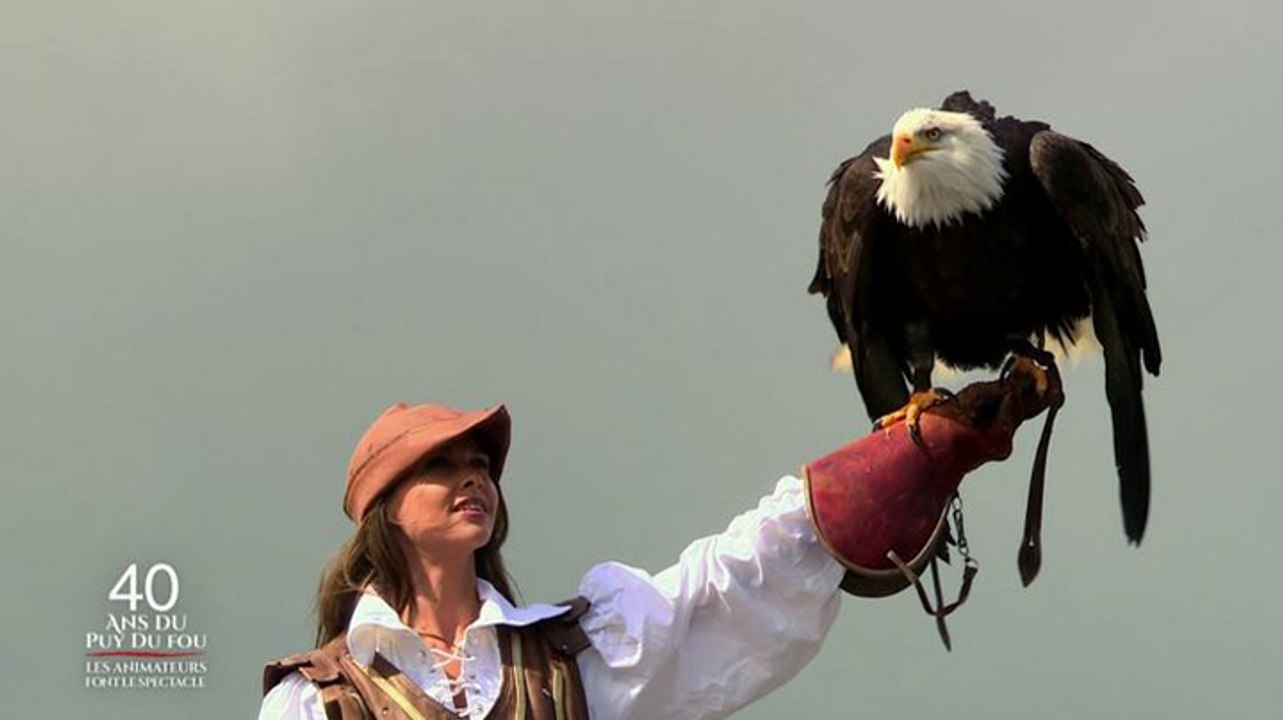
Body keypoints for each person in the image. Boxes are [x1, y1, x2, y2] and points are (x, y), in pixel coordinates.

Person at [259, 370, 1052, 720]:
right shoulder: (318, 701)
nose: (472, 480)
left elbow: (722, 586)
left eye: (480, 466)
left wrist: (906, 459)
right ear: (385, 511)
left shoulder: (570, 661)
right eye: (440, 467)